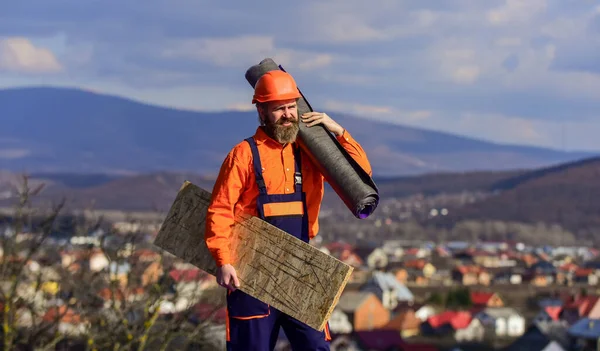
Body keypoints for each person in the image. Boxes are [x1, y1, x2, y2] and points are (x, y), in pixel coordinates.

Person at [204, 69, 373, 351]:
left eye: (291, 106)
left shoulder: (311, 152)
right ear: (261, 111)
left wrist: (338, 131)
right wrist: (223, 261)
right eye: (278, 108)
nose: (287, 114)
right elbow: (220, 210)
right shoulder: (243, 155)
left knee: (316, 347)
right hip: (249, 273)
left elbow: (360, 174)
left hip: (301, 270)